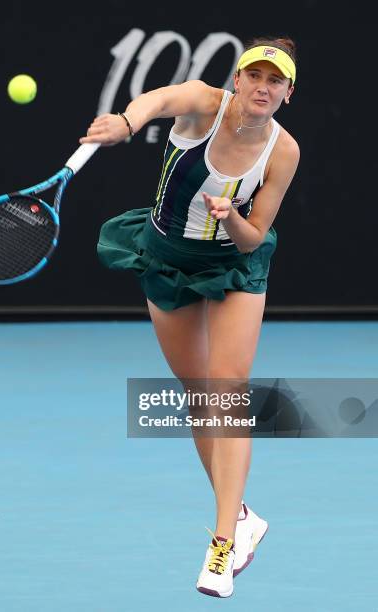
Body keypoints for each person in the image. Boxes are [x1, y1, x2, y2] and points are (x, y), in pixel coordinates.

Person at [80, 36, 300, 598]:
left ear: (286, 94)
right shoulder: (205, 102)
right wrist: (126, 124)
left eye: (274, 81)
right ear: (238, 80)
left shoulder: (283, 151)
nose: (262, 87)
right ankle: (244, 516)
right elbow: (156, 99)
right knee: (196, 392)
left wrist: (230, 219)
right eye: (254, 75)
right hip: (167, 255)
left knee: (227, 391)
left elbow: (252, 242)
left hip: (233, 266)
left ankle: (223, 544)